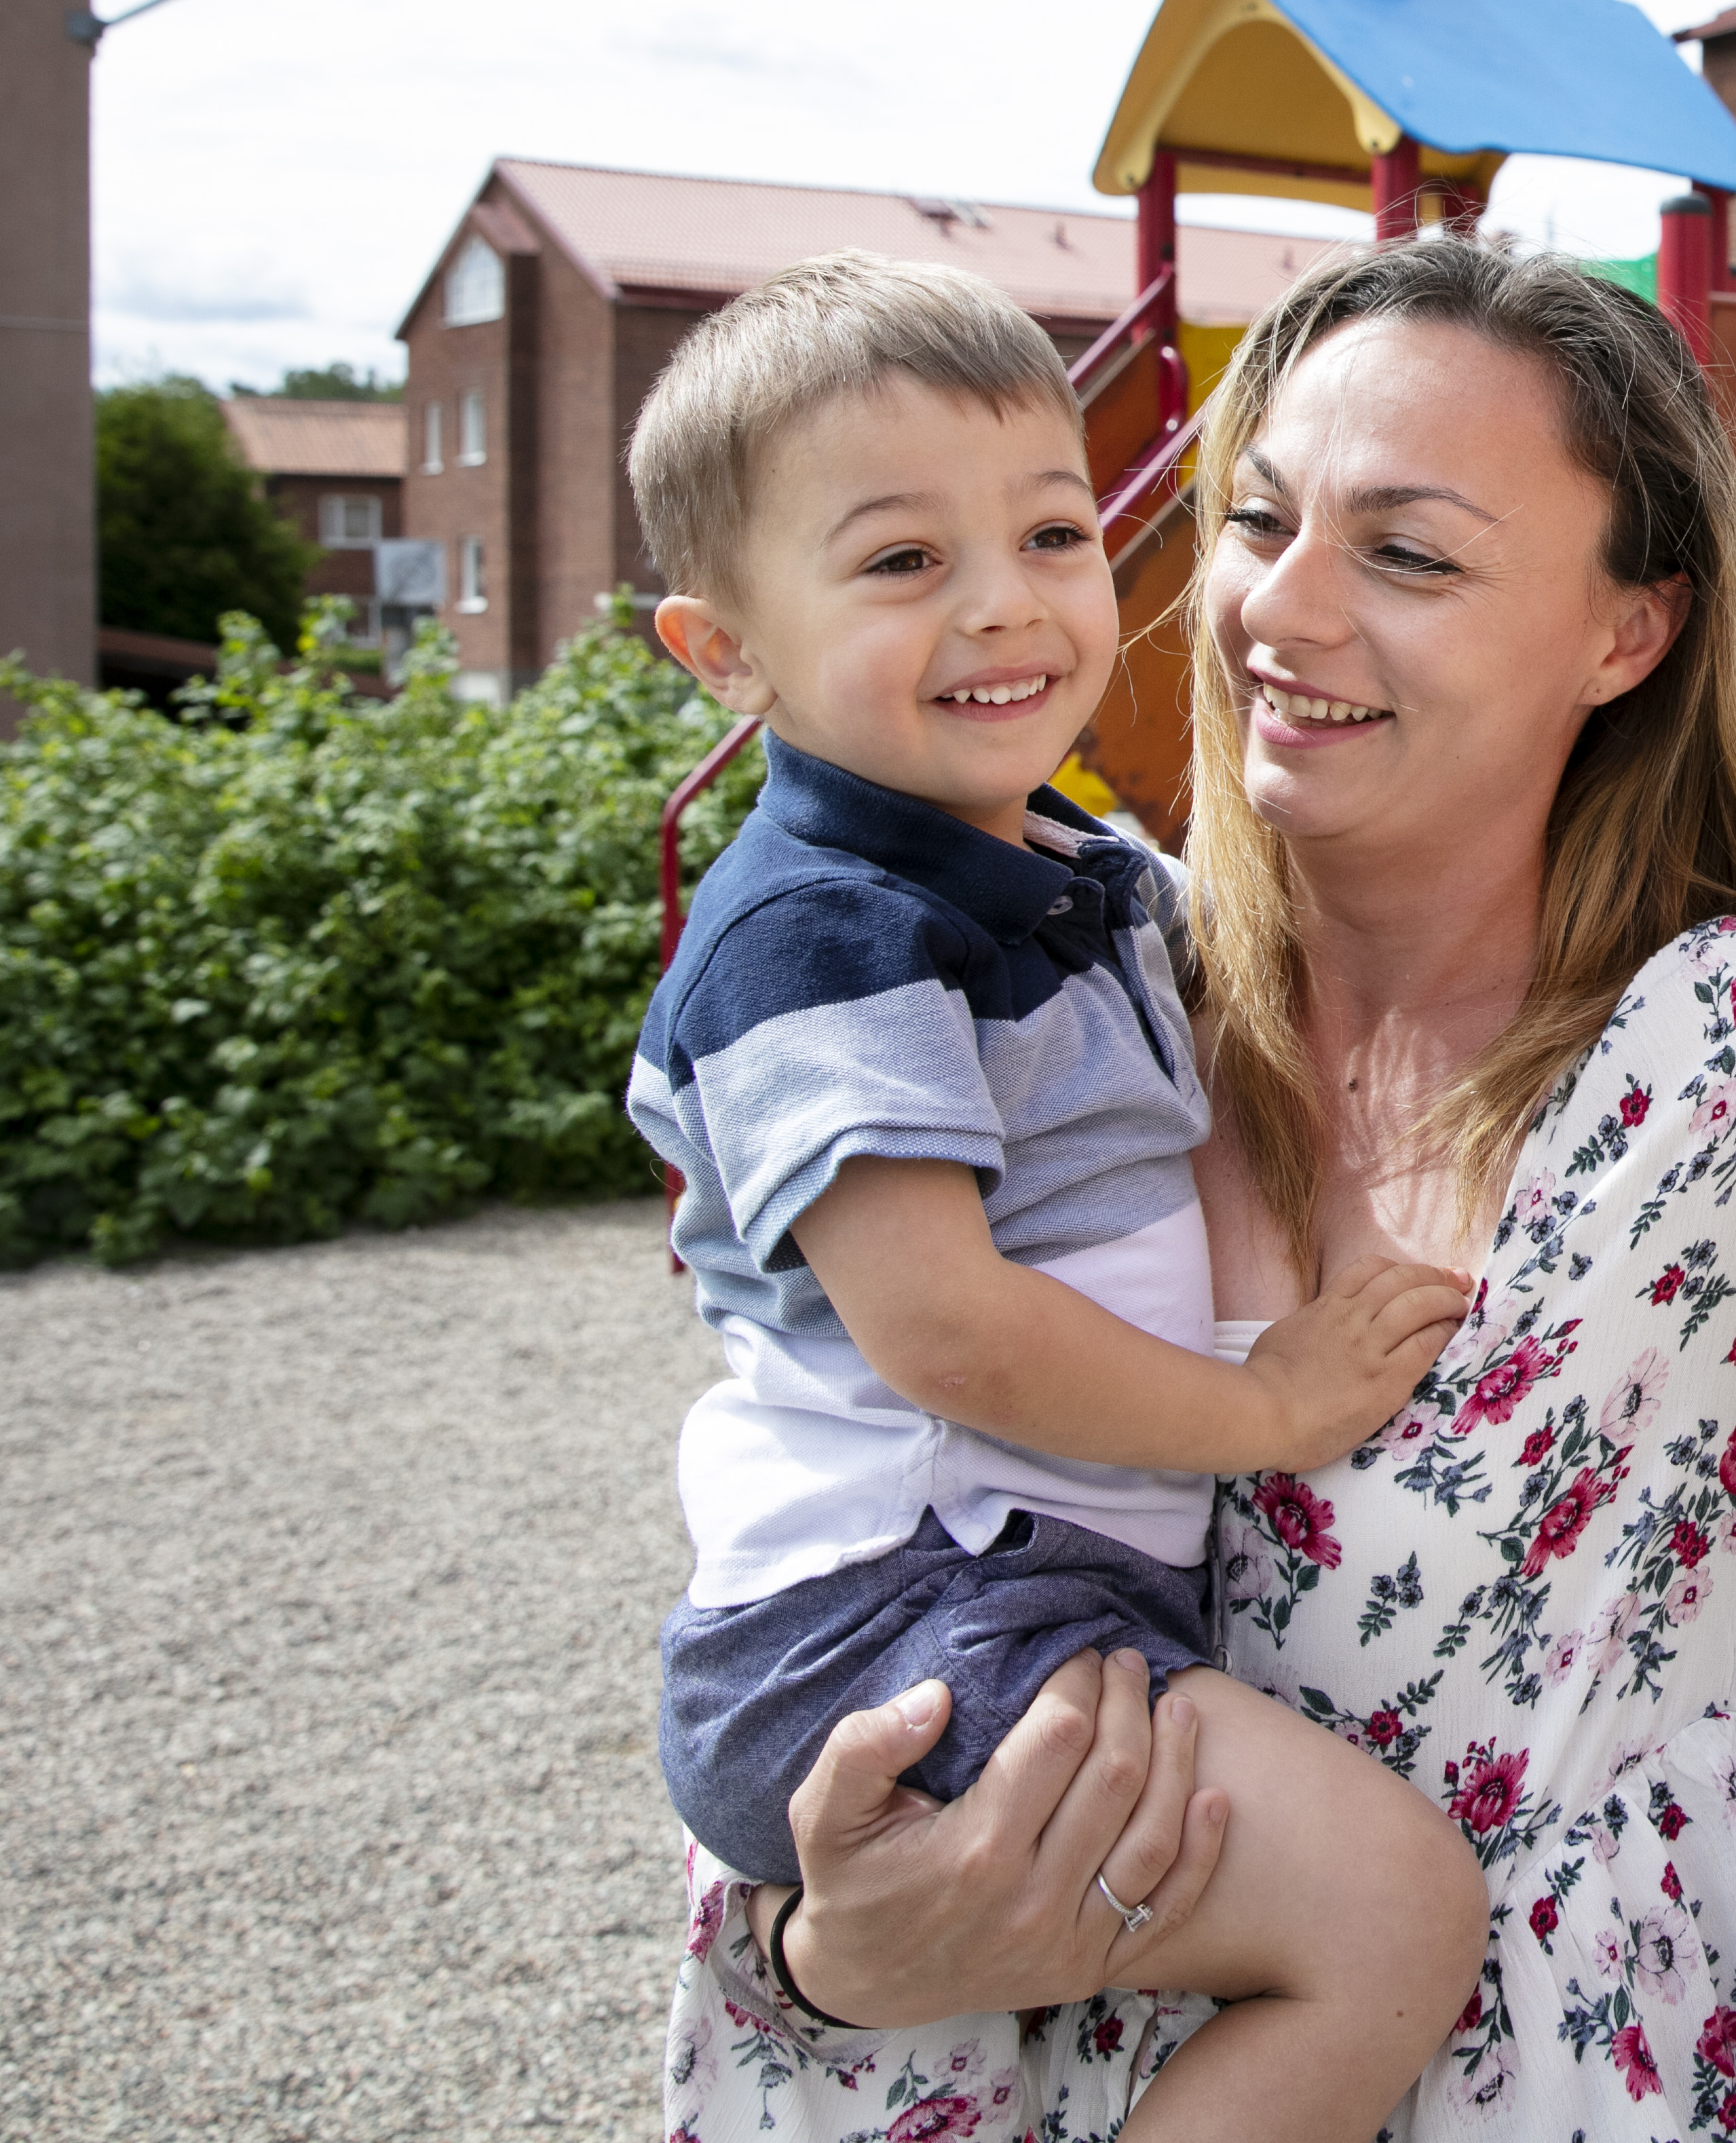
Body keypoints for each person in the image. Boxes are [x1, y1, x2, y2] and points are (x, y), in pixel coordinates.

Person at [656, 233, 1736, 2140]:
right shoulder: (1059, 982)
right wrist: (829, 1952)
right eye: (1255, 518)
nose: (1275, 611)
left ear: (1626, 629)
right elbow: (825, 1607)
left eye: (1408, 551)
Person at [629, 255, 1489, 2143]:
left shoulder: (1070, 861)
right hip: (898, 1619)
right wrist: (1267, 1405)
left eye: (1047, 528)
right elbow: (940, 1318)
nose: (1007, 600)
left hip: (1007, 1587)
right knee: (1393, 1909)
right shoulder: (822, 937)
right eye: (901, 563)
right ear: (726, 652)